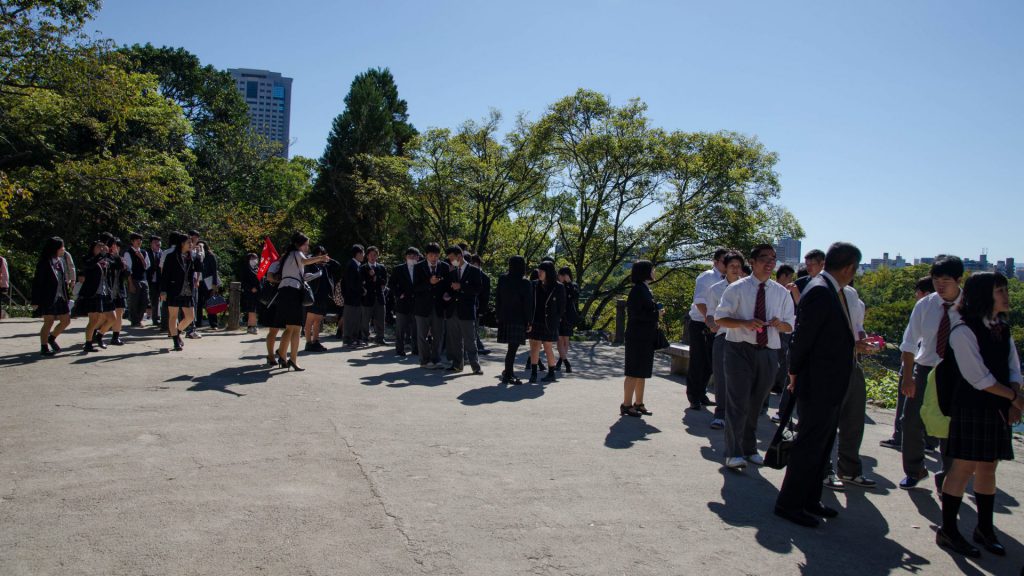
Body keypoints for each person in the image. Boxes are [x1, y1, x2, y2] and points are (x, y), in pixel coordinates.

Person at [775, 242, 868, 528]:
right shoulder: (820, 291)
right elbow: (802, 338)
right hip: (817, 381)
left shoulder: (831, 290)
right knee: (809, 444)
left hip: (831, 380)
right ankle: (790, 503)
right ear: (850, 267)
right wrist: (793, 371)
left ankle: (810, 498)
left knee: (822, 443)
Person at [936, 272, 1022, 558]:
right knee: (963, 467)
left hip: (996, 406)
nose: (1006, 296)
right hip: (972, 406)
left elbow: (1012, 367)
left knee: (988, 467)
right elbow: (978, 378)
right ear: (985, 295)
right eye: (1000, 291)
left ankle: (985, 528)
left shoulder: (1001, 327)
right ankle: (948, 530)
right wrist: (1014, 398)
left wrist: (1013, 399)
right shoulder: (963, 329)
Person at [713, 244, 795, 470]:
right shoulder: (737, 288)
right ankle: (733, 452)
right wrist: (744, 323)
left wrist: (781, 324)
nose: (769, 263)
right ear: (753, 261)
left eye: (773, 259)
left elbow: (790, 325)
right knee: (738, 401)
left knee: (757, 403)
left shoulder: (781, 292)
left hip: (768, 351)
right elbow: (720, 319)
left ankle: (749, 448)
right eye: (764, 258)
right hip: (739, 349)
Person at [898, 255, 964, 491]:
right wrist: (908, 377)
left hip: (957, 373)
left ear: (958, 279)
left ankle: (948, 476)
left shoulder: (972, 305)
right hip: (925, 368)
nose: (939, 285)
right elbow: (908, 343)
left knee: (951, 426)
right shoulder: (925, 305)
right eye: (936, 279)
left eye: (945, 280)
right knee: (911, 421)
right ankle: (914, 470)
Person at [823, 279, 880, 491]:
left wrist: (865, 341)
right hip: (827, 365)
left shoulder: (852, 295)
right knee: (827, 420)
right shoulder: (819, 291)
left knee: (854, 418)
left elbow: (857, 327)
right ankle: (825, 469)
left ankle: (849, 469)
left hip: (852, 362)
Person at [880, 275, 936, 450]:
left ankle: (900, 437)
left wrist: (907, 373)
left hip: (918, 364)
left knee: (906, 404)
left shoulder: (924, 307)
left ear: (924, 292)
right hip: (934, 367)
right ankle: (929, 441)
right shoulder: (942, 308)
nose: (915, 296)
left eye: (917, 292)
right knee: (930, 406)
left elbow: (910, 342)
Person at [275, 232, 330, 371]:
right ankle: (286, 356)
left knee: (293, 327)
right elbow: (305, 261)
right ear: (298, 244)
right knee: (294, 327)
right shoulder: (297, 253)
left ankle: (286, 356)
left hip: (286, 291)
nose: (307, 247)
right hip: (292, 291)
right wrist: (321, 258)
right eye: (305, 244)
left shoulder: (288, 256)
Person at [705, 251, 745, 429]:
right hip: (724, 337)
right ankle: (720, 413)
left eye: (738, 266)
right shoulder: (716, 289)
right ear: (725, 269)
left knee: (742, 379)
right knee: (721, 377)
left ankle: (738, 415)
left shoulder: (749, 288)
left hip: (745, 338)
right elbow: (710, 314)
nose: (736, 270)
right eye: (732, 266)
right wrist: (713, 324)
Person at [686, 248, 730, 410]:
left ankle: (701, 392)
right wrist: (708, 320)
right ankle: (693, 396)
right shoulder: (707, 277)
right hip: (701, 324)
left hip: (719, 326)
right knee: (698, 360)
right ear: (716, 261)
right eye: (724, 261)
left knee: (711, 363)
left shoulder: (730, 280)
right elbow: (699, 300)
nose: (727, 264)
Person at [622, 260, 663, 417]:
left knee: (642, 372)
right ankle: (626, 404)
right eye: (652, 269)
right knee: (633, 371)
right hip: (637, 336)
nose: (654, 272)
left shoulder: (645, 289)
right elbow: (636, 315)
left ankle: (639, 403)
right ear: (645, 272)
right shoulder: (637, 290)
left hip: (645, 336)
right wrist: (656, 314)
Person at [442, 245, 483, 374]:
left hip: (466, 310)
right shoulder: (453, 272)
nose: (451, 261)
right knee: (455, 340)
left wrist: (461, 286)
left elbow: (477, 289)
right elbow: (449, 289)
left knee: (470, 340)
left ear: (459, 256)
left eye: (452, 258)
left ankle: (476, 367)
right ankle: (457, 365)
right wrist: (447, 295)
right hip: (453, 310)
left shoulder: (474, 271)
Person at [496, 255, 534, 385]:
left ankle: (509, 372)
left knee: (511, 348)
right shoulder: (525, 282)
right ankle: (508, 375)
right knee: (512, 349)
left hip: (505, 316)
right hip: (518, 319)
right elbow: (528, 304)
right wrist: (529, 321)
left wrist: (498, 315)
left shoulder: (502, 279)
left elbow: (498, 298)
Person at [31, 237, 71, 356]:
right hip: (47, 296)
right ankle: (44, 347)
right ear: (55, 248)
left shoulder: (61, 261)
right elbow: (37, 282)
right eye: (62, 247)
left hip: (61, 296)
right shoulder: (44, 262)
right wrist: (35, 300)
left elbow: (62, 280)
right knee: (48, 322)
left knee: (66, 321)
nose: (64, 249)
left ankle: (52, 338)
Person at [527, 261, 566, 383]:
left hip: (550, 321)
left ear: (548, 272)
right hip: (536, 320)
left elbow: (562, 307)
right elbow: (529, 304)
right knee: (534, 347)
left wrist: (556, 319)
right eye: (539, 271)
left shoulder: (558, 287)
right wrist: (529, 321)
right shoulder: (533, 285)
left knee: (548, 347)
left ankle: (551, 373)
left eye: (542, 271)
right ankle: (533, 373)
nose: (539, 273)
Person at [78, 240, 120, 352]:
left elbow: (119, 266)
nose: (101, 249)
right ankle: (88, 343)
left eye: (103, 247)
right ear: (93, 248)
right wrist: (101, 255)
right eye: (98, 247)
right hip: (93, 293)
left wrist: (115, 255)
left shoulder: (106, 259)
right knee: (94, 320)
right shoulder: (88, 258)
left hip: (106, 292)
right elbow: (89, 265)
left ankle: (100, 336)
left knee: (112, 318)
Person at [414, 243, 450, 369]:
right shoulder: (418, 267)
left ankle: (436, 359)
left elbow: (448, 285)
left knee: (439, 335)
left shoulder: (445, 267)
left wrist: (447, 294)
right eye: (431, 255)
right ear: (426, 255)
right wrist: (429, 283)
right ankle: (424, 360)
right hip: (422, 307)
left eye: (436, 255)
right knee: (422, 335)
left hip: (439, 306)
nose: (434, 258)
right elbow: (415, 287)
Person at [160, 232, 196, 352]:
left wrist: (199, 256)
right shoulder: (171, 256)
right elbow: (164, 275)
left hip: (187, 290)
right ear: (182, 244)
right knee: (173, 316)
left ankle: (178, 332)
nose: (191, 244)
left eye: (191, 242)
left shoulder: (191, 256)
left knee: (190, 317)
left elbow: (198, 269)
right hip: (174, 289)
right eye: (188, 242)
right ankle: (175, 341)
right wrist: (163, 290)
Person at [305, 245, 338, 352]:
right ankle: (308, 342)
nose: (321, 256)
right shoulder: (310, 264)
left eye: (323, 254)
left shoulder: (326, 265)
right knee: (310, 320)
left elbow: (338, 266)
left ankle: (316, 341)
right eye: (319, 254)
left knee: (318, 321)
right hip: (313, 295)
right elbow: (306, 276)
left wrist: (328, 259)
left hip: (323, 296)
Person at [389, 247, 420, 357]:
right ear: (406, 257)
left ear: (418, 257)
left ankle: (416, 349)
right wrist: (398, 294)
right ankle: (399, 349)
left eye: (414, 256)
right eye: (409, 256)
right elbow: (391, 284)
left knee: (416, 328)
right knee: (400, 328)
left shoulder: (421, 268)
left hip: (416, 303)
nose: (412, 258)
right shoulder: (399, 269)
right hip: (402, 303)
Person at [361, 246, 389, 345]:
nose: (373, 257)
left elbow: (384, 281)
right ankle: (365, 338)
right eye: (371, 255)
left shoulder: (381, 267)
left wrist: (376, 279)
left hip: (380, 297)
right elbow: (362, 282)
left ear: (377, 256)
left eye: (375, 255)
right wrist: (371, 279)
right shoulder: (363, 268)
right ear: (367, 256)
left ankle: (380, 338)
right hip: (367, 298)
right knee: (365, 320)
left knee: (380, 319)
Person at [124, 232, 151, 328]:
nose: (139, 242)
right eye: (137, 240)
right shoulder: (128, 252)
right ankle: (134, 320)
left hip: (143, 279)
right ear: (132, 241)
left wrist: (141, 258)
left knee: (144, 300)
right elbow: (128, 269)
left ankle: (139, 319)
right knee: (134, 301)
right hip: (134, 279)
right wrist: (130, 283)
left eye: (140, 240)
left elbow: (147, 266)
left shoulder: (144, 252)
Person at [556, 267, 580, 374]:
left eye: (561, 275)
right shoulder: (557, 285)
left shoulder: (573, 285)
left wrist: (569, 282)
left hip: (569, 316)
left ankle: (561, 362)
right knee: (559, 340)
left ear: (566, 275)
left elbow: (575, 297)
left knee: (566, 340)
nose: (559, 277)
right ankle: (565, 362)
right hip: (559, 316)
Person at [342, 244, 366, 347]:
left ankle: (355, 339)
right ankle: (347, 340)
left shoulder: (358, 265)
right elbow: (351, 283)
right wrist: (362, 290)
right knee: (349, 319)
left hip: (356, 298)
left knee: (356, 319)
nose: (363, 255)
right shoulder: (351, 265)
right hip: (351, 297)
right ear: (358, 253)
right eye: (362, 253)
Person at [196, 241, 221, 331]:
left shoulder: (210, 256)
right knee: (198, 303)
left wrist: (214, 284)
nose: (199, 247)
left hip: (208, 282)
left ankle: (213, 324)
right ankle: (198, 322)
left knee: (210, 303)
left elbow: (214, 271)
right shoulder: (196, 256)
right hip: (198, 281)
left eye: (201, 246)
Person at [469, 254, 491, 355]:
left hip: (478, 306)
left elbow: (485, 296)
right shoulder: (468, 273)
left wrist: (482, 310)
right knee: (472, 328)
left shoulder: (485, 277)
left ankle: (478, 346)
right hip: (469, 304)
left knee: (475, 327)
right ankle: (478, 346)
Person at [240, 252, 260, 335]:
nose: (255, 260)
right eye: (252, 258)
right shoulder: (245, 268)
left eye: (256, 258)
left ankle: (253, 325)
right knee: (251, 310)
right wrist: (251, 288)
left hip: (256, 292)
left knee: (254, 310)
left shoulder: (256, 268)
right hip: (249, 292)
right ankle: (251, 326)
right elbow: (243, 281)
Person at [146, 235, 162, 328]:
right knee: (154, 300)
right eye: (155, 242)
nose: (158, 244)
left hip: (160, 280)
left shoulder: (162, 253)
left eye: (159, 242)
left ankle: (158, 317)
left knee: (161, 300)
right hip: (150, 280)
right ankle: (155, 319)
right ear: (151, 243)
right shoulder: (147, 253)